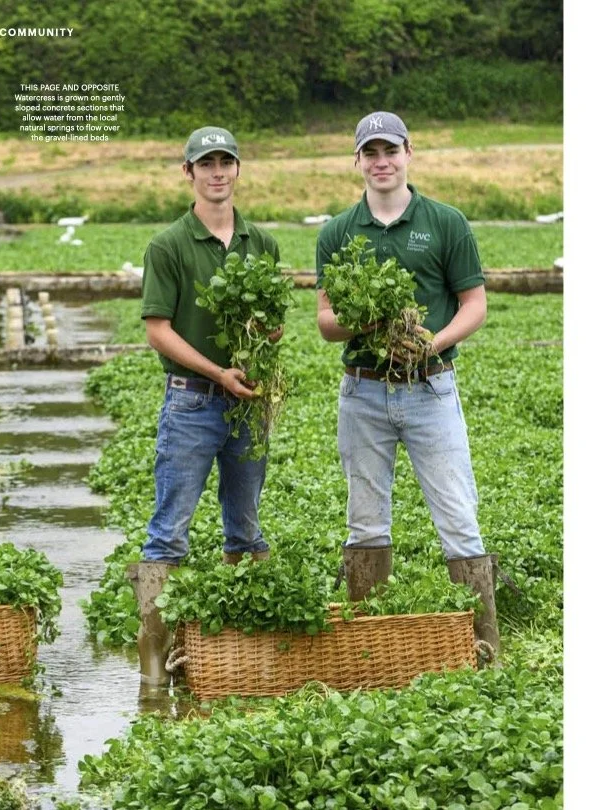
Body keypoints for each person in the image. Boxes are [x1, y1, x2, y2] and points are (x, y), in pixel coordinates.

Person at [315, 111, 500, 663]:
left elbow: (476, 305)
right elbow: (327, 324)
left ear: (408, 153)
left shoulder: (445, 222)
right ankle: (366, 646)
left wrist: (432, 342)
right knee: (365, 521)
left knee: (458, 517)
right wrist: (372, 323)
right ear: (357, 161)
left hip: (430, 389)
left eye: (390, 151)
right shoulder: (337, 232)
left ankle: (485, 645)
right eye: (370, 153)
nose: (381, 162)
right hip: (363, 393)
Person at [127, 126, 282, 692]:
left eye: (226, 162)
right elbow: (157, 330)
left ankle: (241, 660)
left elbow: (270, 323)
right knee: (169, 534)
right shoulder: (168, 245)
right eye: (206, 163)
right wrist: (216, 372)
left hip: (248, 406)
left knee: (245, 529)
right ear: (187, 172)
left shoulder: (261, 244)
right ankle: (153, 674)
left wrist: (268, 336)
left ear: (238, 171)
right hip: (191, 402)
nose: (218, 172)